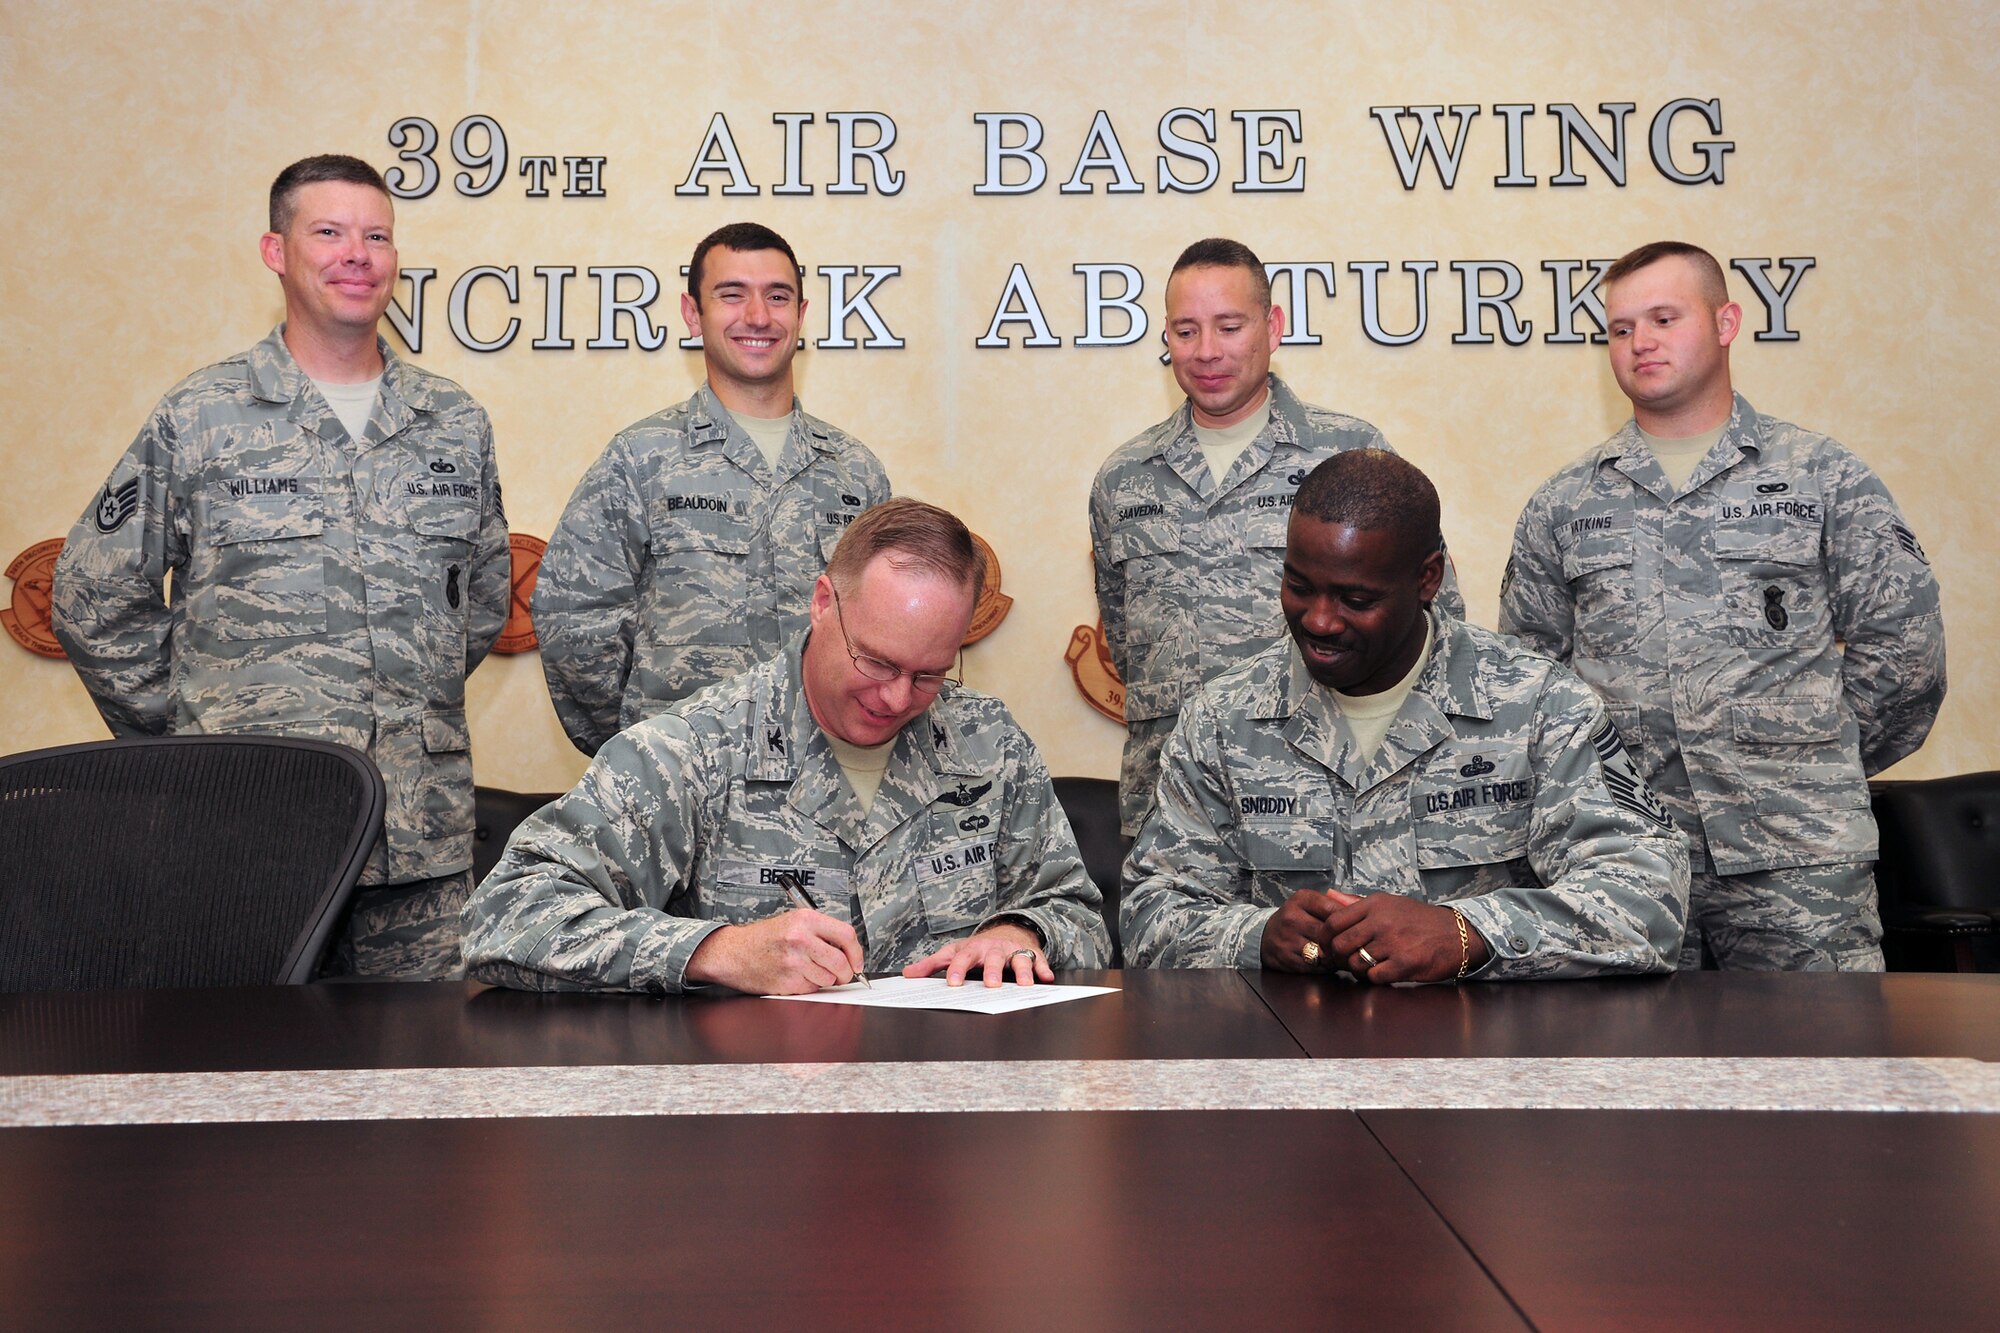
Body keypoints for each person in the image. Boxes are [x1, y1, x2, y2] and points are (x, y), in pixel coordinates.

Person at [51, 154, 509, 979]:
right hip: (248, 841)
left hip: (420, 853)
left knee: (430, 1087)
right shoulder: (204, 414)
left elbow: (475, 604)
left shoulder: (454, 423)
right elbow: (92, 596)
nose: (356, 254)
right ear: (276, 251)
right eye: (328, 231)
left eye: (376, 235)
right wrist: (203, 736)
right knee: (245, 1083)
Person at [1500, 241, 1945, 971]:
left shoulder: (1823, 476)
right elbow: (1530, 681)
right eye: (1619, 329)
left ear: (1727, 321)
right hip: (1624, 863)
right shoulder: (1565, 502)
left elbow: (1907, 658)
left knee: (1822, 1070)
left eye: (1664, 318)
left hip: (1798, 863)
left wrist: (1808, 759)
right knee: (1635, 1077)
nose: (1640, 341)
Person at [465, 498, 1109, 994]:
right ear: (824, 603)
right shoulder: (694, 749)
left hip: (949, 1128)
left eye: (929, 675)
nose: (895, 698)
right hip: (754, 1129)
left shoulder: (988, 746)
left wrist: (1022, 932)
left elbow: (1075, 910)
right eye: (877, 662)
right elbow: (504, 916)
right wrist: (713, 951)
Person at [1121, 450, 1688, 979]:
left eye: (1356, 600)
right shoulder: (1223, 719)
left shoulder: (1539, 706)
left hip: (1483, 1058)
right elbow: (1149, 913)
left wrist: (1472, 934)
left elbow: (1647, 899)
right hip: (1287, 1061)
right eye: (1299, 586)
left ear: (1427, 579)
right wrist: (1256, 936)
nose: (1319, 620)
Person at [1090, 236, 1463, 838]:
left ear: (1273, 325)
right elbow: (1129, 648)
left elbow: (1431, 621)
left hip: (1325, 804)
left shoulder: (1348, 454)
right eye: (1186, 332)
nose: (1207, 351)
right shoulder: (1123, 478)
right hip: (1174, 817)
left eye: (1229, 327)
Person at [533, 222, 891, 756]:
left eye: (778, 296)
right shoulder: (640, 458)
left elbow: (885, 634)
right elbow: (574, 621)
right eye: (732, 295)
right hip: (681, 789)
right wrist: (641, 747)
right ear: (691, 313)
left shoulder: (856, 473)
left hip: (827, 779)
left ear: (801, 314)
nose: (758, 317)